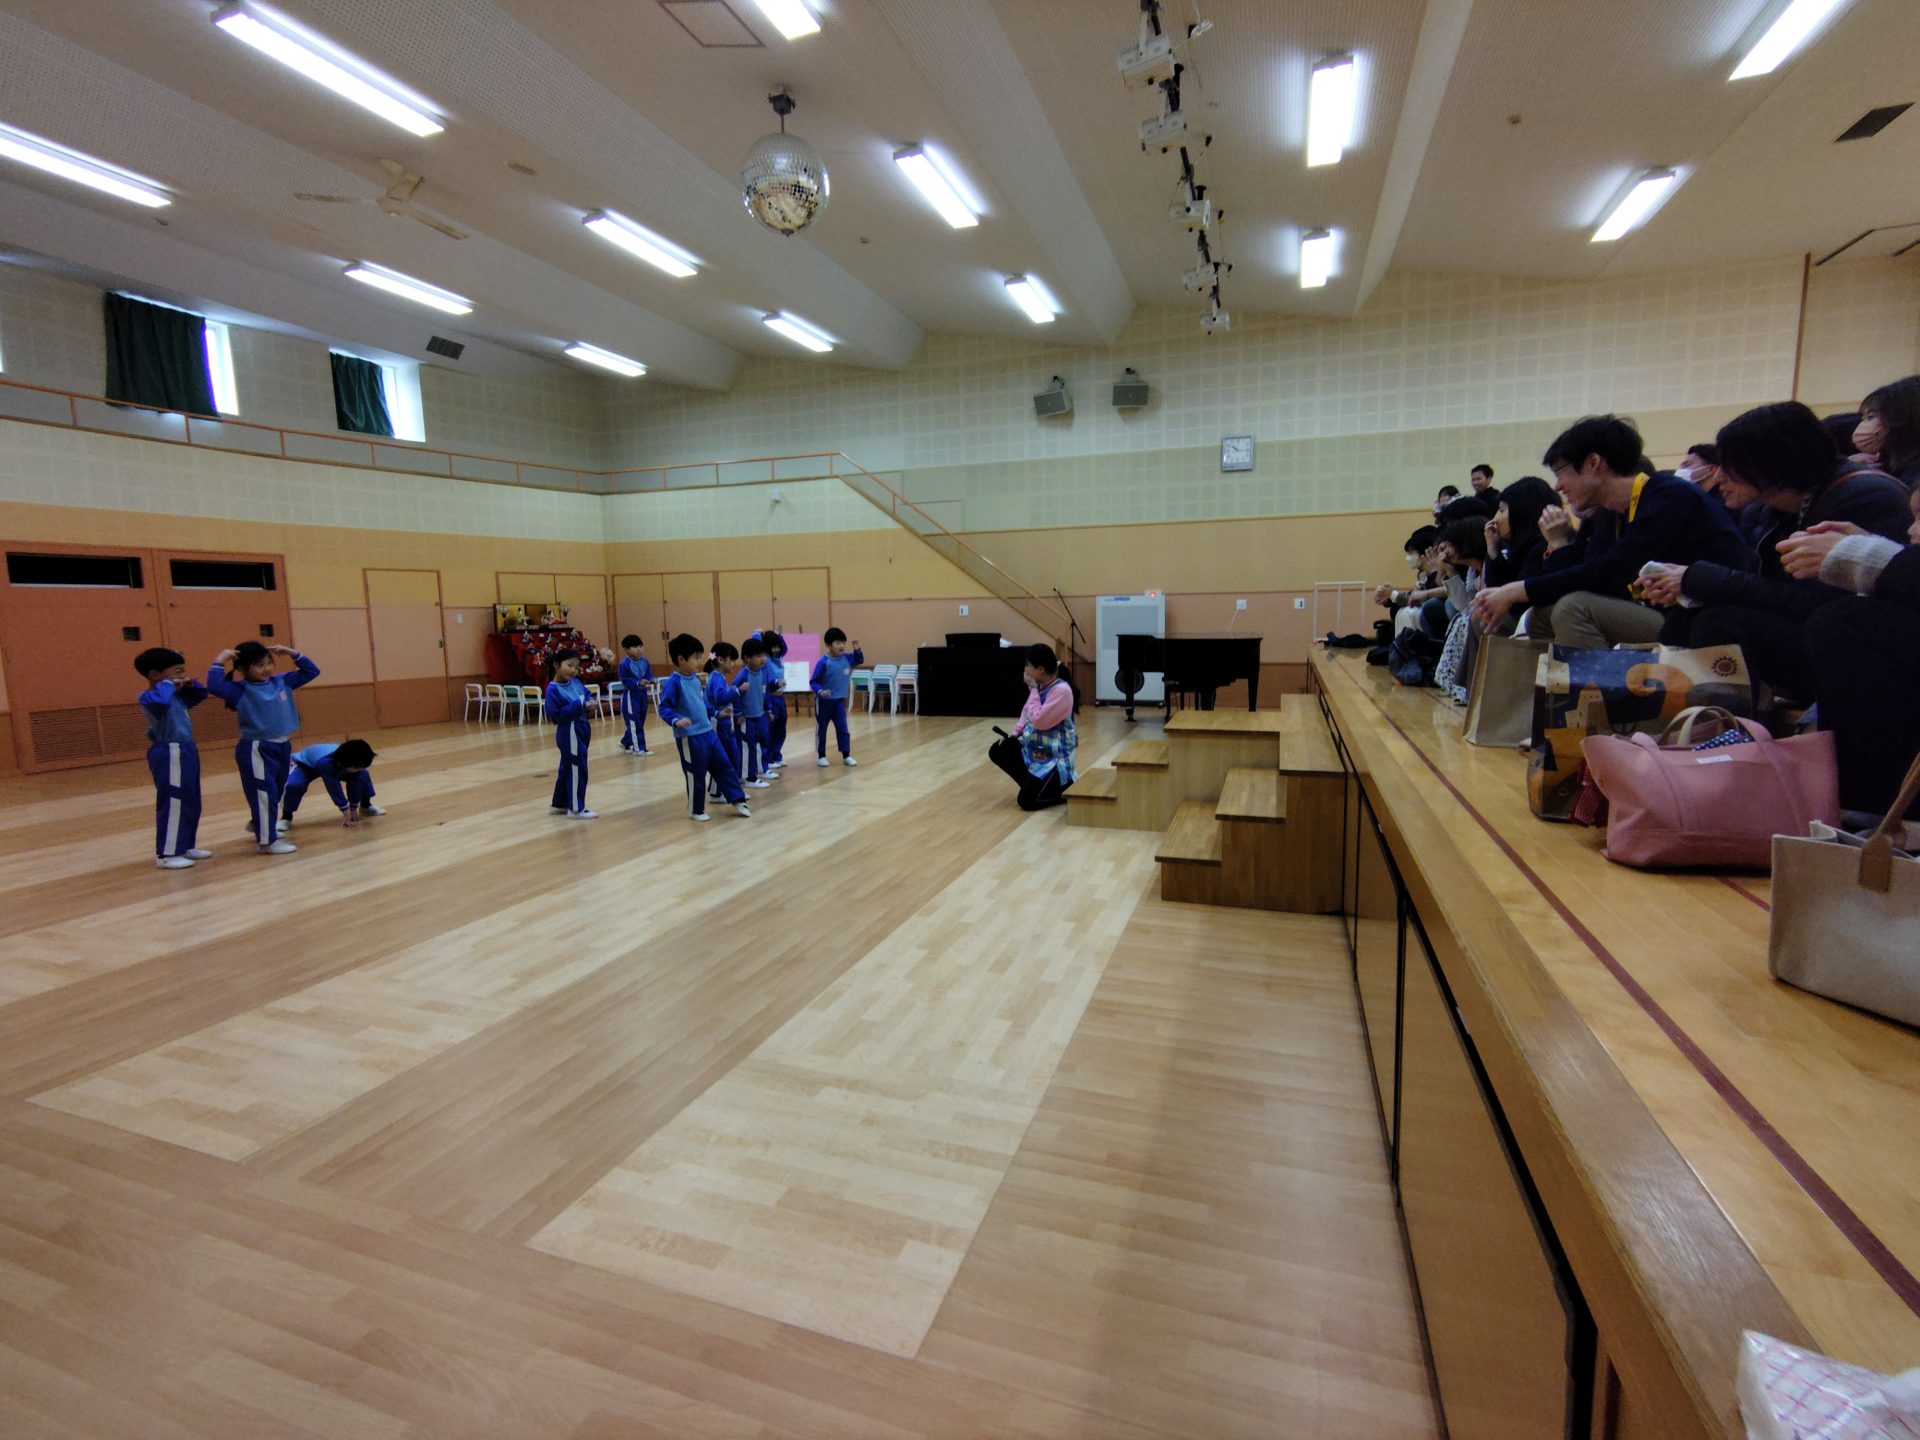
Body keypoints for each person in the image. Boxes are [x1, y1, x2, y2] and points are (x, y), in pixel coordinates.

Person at [1642, 401, 1911, 697]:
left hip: (1865, 648)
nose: (1718, 478)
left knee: (1720, 623)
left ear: (1771, 461)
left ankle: (1732, 719)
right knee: (1686, 619)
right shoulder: (1767, 507)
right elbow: (1762, 586)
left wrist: (1700, 579)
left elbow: (1829, 604)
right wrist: (1687, 586)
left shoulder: (1866, 496)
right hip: (1818, 628)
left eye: (1731, 466)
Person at [1469, 414, 1751, 648]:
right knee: (1541, 615)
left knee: (1574, 608)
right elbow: (1586, 573)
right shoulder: (1612, 513)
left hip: (1705, 620)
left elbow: (1607, 572)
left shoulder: (1668, 495)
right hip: (1662, 615)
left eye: (1560, 471)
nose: (1558, 486)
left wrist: (1516, 590)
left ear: (1594, 463)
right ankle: (1547, 697)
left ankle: (1599, 698)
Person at [1778, 486, 1920, 819]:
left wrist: (1873, 558)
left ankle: (1876, 809)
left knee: (1848, 623)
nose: (1911, 530)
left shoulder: (1866, 492)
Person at [205, 641, 320, 855]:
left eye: (268, 663)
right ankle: (266, 842)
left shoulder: (282, 681)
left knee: (275, 791)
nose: (266, 668)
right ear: (242, 669)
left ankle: (261, 824)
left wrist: (293, 653)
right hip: (256, 748)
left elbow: (312, 671)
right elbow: (213, 685)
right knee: (263, 793)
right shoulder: (239, 689)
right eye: (259, 665)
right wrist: (220, 660)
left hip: (282, 746)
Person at [136, 647, 213, 871]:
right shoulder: (150, 696)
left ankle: (185, 845)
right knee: (174, 801)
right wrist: (169, 684)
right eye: (177, 671)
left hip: (186, 750)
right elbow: (160, 701)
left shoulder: (176, 695)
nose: (182, 675)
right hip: (169, 752)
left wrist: (189, 684)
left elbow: (201, 694)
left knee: (191, 799)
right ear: (154, 675)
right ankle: (167, 853)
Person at [659, 634, 749, 821]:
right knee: (696, 773)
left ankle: (738, 799)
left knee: (724, 765)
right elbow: (664, 707)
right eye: (695, 658)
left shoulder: (695, 679)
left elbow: (701, 705)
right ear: (681, 659)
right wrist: (675, 720)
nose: (699, 662)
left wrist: (716, 713)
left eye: (700, 657)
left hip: (708, 732)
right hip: (689, 736)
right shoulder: (673, 682)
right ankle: (696, 809)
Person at [988, 643, 1077, 811]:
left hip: (1054, 759)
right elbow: (1026, 712)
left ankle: (1062, 789)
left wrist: (1033, 690)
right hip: (1035, 752)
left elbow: (1038, 720)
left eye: (1029, 665)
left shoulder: (1061, 691)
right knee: (1000, 750)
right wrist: (1014, 736)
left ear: (1041, 669)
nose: (1026, 669)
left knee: (1026, 801)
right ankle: (1035, 786)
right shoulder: (1040, 686)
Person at [543, 648, 596, 820]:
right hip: (569, 730)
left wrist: (591, 701)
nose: (573, 670)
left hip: (582, 727)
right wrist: (580, 705)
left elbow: (586, 694)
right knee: (577, 768)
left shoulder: (576, 683)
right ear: (557, 665)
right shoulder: (552, 690)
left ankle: (559, 803)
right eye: (569, 665)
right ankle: (576, 808)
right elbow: (556, 716)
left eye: (576, 667)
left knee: (567, 767)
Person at [281, 739, 382, 827]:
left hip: (329, 764)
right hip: (304, 765)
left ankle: (365, 805)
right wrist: (345, 810)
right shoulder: (326, 764)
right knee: (294, 785)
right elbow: (334, 788)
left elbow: (356, 783)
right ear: (348, 763)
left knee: (363, 774)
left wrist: (353, 807)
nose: (361, 768)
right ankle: (286, 817)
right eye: (359, 767)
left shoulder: (347, 760)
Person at [1482, 476, 1557, 588]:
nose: (1495, 519)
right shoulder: (1521, 546)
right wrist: (1492, 549)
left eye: (1502, 510)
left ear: (1522, 513)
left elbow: (1513, 593)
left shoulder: (1543, 547)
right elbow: (1498, 588)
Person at [1852, 376, 1920, 489]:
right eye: (1863, 419)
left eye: (1870, 417)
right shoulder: (1887, 461)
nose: (1862, 425)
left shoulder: (1915, 475)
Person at [810, 627, 865, 767]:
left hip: (839, 701)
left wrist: (857, 649)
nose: (841, 646)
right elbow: (814, 681)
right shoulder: (823, 662)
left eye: (843, 642)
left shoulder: (846, 658)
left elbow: (859, 660)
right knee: (822, 729)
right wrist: (820, 691)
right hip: (824, 703)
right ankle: (821, 755)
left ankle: (846, 755)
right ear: (828, 645)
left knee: (843, 728)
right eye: (837, 643)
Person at [735, 636, 777, 788]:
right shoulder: (743, 675)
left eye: (763, 655)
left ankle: (762, 769)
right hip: (746, 719)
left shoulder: (763, 674)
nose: (763, 659)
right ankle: (749, 777)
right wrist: (738, 714)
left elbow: (765, 694)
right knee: (748, 747)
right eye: (758, 656)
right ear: (747, 658)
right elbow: (733, 694)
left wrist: (769, 710)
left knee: (763, 741)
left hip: (760, 716)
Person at [757, 628, 789, 770]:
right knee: (771, 730)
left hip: (781, 699)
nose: (776, 649)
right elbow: (767, 681)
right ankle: (768, 758)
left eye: (777, 646)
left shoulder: (778, 658)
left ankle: (777, 755)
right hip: (771, 698)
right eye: (773, 647)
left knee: (781, 730)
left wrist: (779, 636)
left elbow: (784, 648)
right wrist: (759, 634)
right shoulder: (766, 660)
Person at [616, 634, 653, 757]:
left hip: (642, 693)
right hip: (631, 695)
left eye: (640, 646)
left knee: (640, 720)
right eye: (635, 647)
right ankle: (639, 748)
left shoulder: (644, 661)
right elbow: (625, 679)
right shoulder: (624, 664)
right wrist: (637, 682)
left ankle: (626, 742)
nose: (639, 649)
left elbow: (648, 673)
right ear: (626, 650)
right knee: (634, 721)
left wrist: (650, 680)